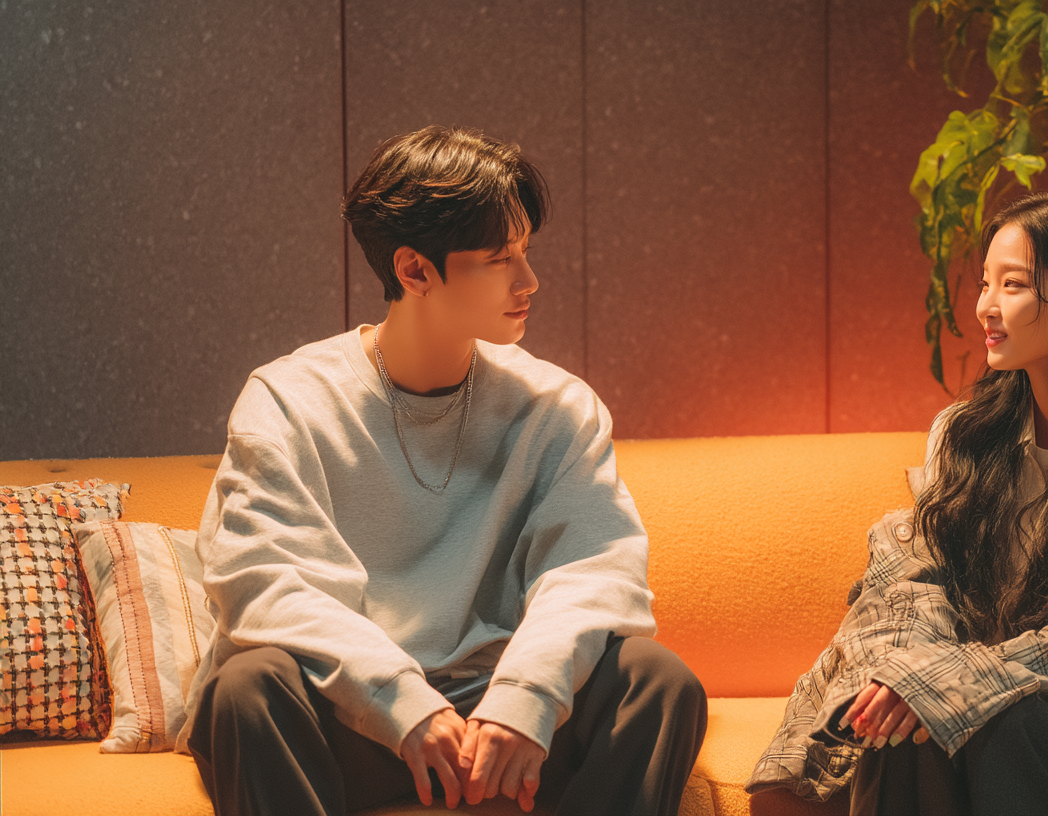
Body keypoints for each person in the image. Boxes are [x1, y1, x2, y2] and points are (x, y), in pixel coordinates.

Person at [179, 126, 707, 816]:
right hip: (351, 715)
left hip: (501, 725)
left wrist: (523, 700)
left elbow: (596, 570)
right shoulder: (288, 400)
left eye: (526, 251)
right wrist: (404, 705)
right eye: (499, 258)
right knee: (247, 690)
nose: (529, 281)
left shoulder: (556, 406)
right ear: (415, 271)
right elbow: (265, 583)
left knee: (657, 682)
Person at [747, 188, 1048, 816]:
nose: (985, 307)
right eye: (984, 283)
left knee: (998, 721)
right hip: (968, 688)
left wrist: (955, 685)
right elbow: (910, 582)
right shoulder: (963, 434)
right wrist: (920, 680)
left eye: (1013, 285)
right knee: (906, 726)